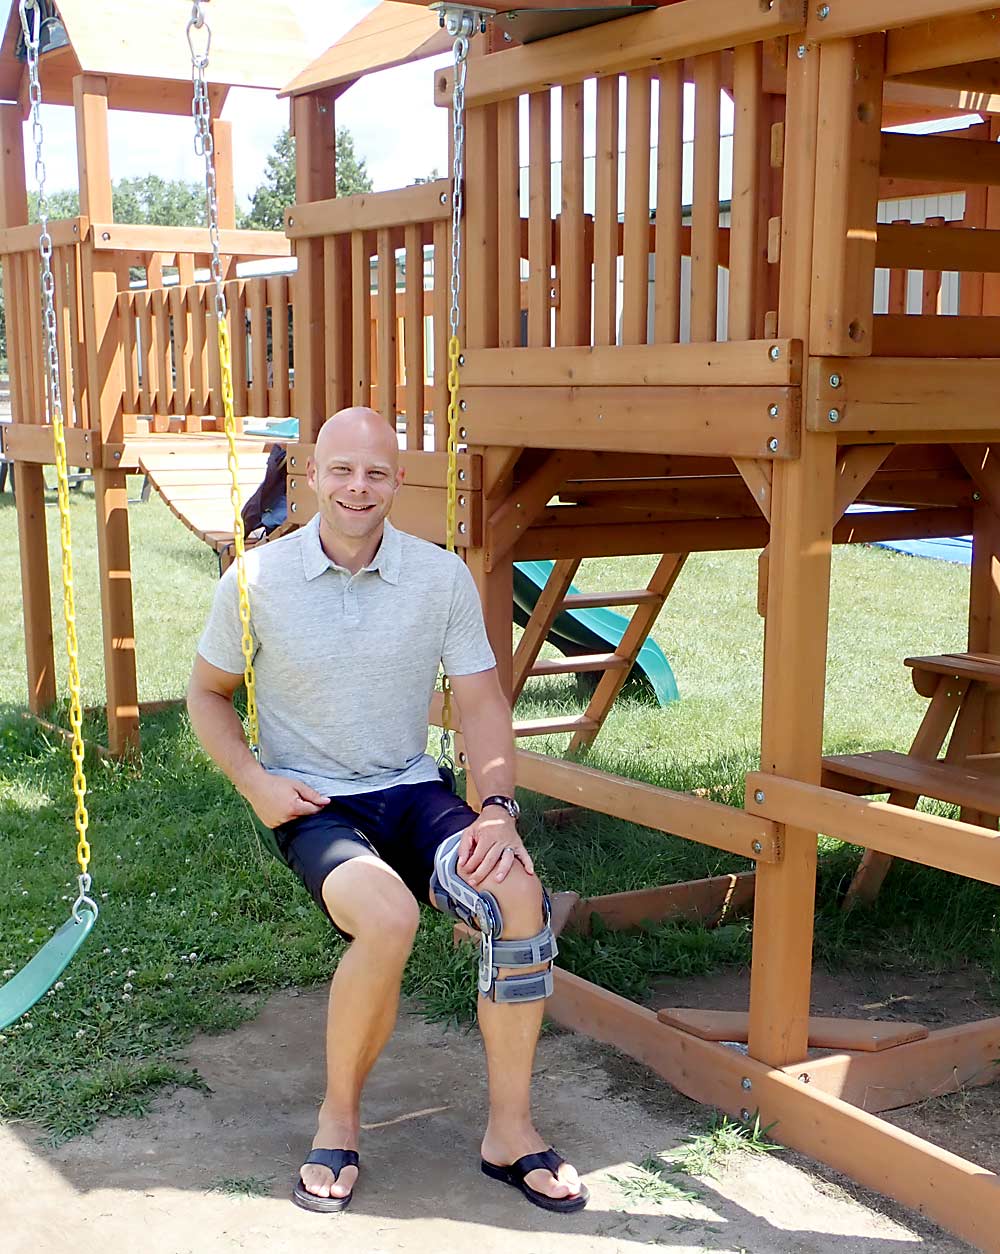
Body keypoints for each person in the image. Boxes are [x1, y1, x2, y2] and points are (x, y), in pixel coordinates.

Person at [187, 407, 586, 1216]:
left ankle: (509, 1131)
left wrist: (497, 809)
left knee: (517, 899)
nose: (358, 487)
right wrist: (256, 784)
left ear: (399, 482)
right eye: (341, 470)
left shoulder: (439, 578)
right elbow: (206, 695)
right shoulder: (255, 582)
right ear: (311, 479)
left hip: (410, 790)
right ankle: (338, 1118)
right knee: (389, 916)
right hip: (312, 801)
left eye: (376, 472)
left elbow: (479, 701)